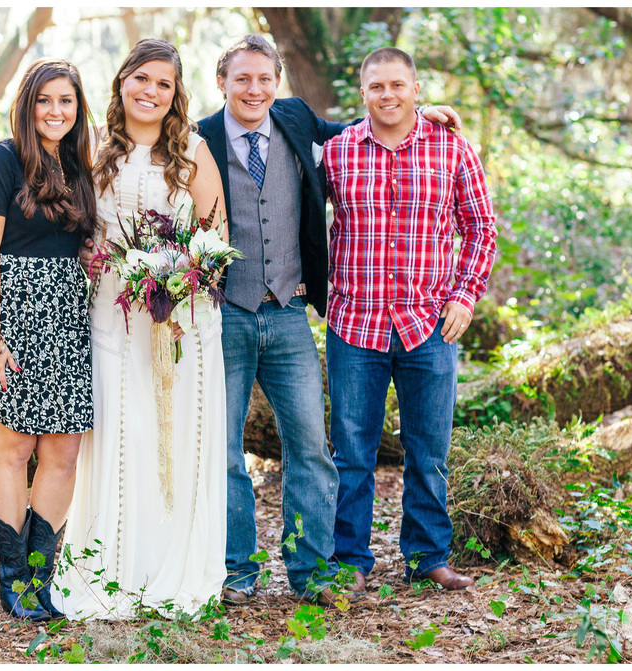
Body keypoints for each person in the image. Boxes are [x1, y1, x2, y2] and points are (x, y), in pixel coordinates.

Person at [196, 35, 463, 605]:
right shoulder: (198, 138)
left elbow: (367, 127)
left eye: (264, 78)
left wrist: (419, 112)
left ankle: (312, 569)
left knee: (313, 449)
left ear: (278, 82)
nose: (254, 89)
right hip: (224, 314)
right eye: (242, 78)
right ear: (222, 81)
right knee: (222, 450)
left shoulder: (296, 121)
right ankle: (236, 569)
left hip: (291, 312)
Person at [54, 38, 229, 620]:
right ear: (122, 81)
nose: (151, 92)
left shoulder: (193, 151)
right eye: (142, 79)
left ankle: (174, 565)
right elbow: (79, 236)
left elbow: (215, 237)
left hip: (184, 322)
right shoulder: (93, 149)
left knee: (179, 438)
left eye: (164, 84)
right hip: (111, 313)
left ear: (176, 94)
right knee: (121, 433)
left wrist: (182, 280)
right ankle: (114, 565)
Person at [323, 47, 497, 592]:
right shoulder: (335, 153)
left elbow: (481, 228)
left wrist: (465, 296)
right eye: (377, 87)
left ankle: (428, 557)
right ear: (363, 92)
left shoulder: (452, 149)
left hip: (430, 324)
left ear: (416, 89)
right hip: (355, 324)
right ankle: (348, 560)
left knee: (429, 450)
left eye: (398, 85)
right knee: (351, 452)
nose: (388, 95)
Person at [0, 58, 98, 621]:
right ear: (27, 104)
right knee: (13, 450)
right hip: (9, 314)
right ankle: (12, 580)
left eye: (66, 101)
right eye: (45, 100)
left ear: (77, 107)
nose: (55, 111)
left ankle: (41, 580)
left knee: (63, 452)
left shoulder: (79, 165)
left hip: (65, 314)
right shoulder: (0, 159)